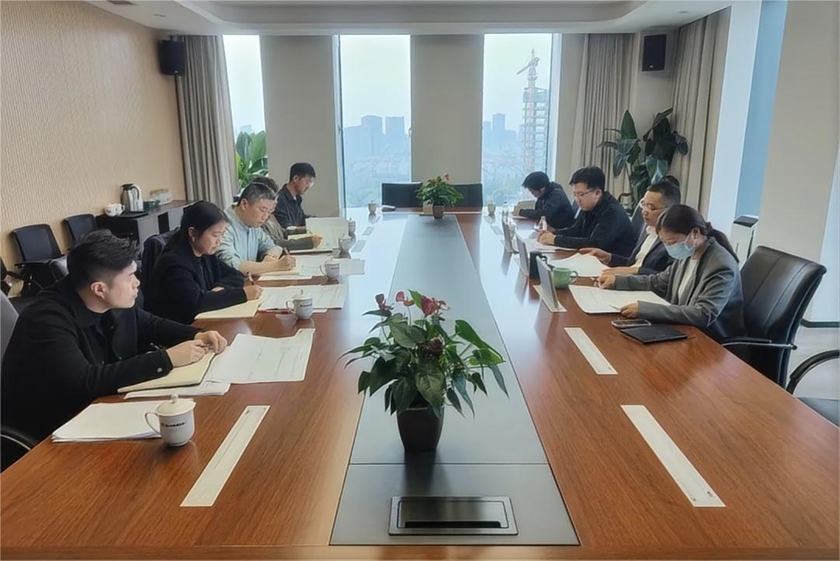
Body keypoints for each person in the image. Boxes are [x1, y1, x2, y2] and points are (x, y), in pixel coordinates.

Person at [0, 230, 228, 441]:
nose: (137, 283)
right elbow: (84, 381)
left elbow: (151, 324)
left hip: (101, 410)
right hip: (52, 432)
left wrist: (197, 335)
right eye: (130, 277)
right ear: (99, 289)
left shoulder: (112, 301)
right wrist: (166, 359)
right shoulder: (46, 319)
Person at [599, 204, 745, 342]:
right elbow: (659, 282)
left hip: (710, 341)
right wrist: (618, 281)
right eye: (665, 243)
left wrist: (646, 309)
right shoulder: (688, 253)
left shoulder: (721, 265)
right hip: (683, 329)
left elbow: (703, 314)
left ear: (695, 233)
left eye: (672, 242)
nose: (669, 247)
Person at [146, 201, 263, 324]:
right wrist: (243, 294)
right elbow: (196, 303)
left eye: (222, 234)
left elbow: (235, 275)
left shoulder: (204, 253)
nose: (219, 241)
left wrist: (219, 289)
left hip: (203, 320)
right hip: (180, 328)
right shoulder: (173, 263)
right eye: (215, 235)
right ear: (192, 233)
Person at [580, 180, 681, 275]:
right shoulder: (647, 228)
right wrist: (609, 258)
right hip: (628, 280)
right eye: (643, 204)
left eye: (651, 207)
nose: (644, 211)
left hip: (642, 285)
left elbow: (666, 277)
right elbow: (634, 263)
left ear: (669, 210)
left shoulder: (675, 239)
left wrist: (635, 271)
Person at [537, 166, 636, 256]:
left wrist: (555, 240)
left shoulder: (613, 212)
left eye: (581, 194)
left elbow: (595, 244)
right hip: (593, 259)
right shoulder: (589, 206)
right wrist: (552, 233)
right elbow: (576, 230)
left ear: (597, 193)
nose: (577, 199)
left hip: (614, 264)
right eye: (575, 194)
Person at [217, 182, 297, 276]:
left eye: (269, 212)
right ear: (244, 204)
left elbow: (273, 245)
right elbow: (234, 265)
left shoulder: (252, 223)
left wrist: (270, 256)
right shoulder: (222, 225)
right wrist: (275, 266)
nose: (265, 217)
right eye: (263, 210)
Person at [248, 176, 322, 251]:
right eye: (273, 199)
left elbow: (284, 232)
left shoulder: (271, 216)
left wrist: (309, 228)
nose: (276, 202)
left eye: (276, 198)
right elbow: (273, 243)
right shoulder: (257, 220)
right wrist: (307, 242)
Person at [274, 162, 316, 229]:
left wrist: (318, 221)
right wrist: (308, 228)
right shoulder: (280, 199)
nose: (308, 187)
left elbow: (301, 219)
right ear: (295, 178)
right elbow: (286, 228)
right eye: (307, 182)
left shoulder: (297, 199)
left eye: (311, 183)